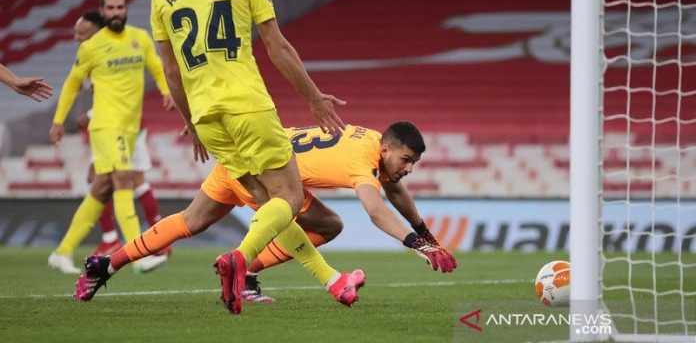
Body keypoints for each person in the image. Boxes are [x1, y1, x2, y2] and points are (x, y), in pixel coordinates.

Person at [75, 0, 358, 315]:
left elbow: (171, 72)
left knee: (263, 204)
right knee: (289, 197)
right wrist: (313, 97)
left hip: (207, 117)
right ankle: (239, 262)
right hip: (247, 106)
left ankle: (107, 263)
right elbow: (277, 46)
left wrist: (191, 121)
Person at [74, 122, 457, 304]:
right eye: (406, 160)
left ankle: (105, 266)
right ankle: (248, 273)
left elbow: (396, 191)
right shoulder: (363, 160)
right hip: (265, 174)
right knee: (327, 223)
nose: (407, 169)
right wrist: (416, 245)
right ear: (389, 149)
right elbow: (375, 210)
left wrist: (425, 234)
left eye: (413, 164)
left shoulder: (374, 140)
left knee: (189, 222)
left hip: (244, 160)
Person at [48, 0, 174, 274]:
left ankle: (62, 251)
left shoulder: (139, 38)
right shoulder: (92, 47)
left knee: (102, 189)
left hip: (130, 128)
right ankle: (138, 254)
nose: (115, 12)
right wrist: (58, 122)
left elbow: (156, 66)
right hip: (106, 125)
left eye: (120, 7)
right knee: (124, 179)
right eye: (110, 8)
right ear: (103, 12)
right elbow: (71, 84)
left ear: (125, 9)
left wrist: (166, 91)